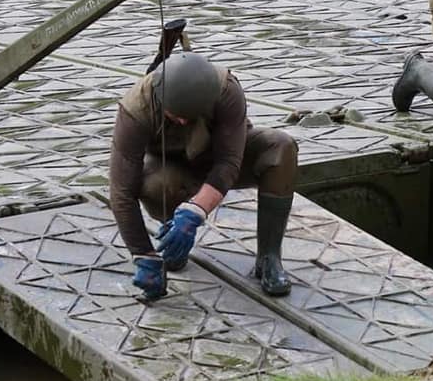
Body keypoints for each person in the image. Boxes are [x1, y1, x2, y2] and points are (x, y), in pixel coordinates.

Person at [108, 52, 299, 301]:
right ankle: (172, 238)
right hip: (173, 169)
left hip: (219, 159)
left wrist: (195, 211)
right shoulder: (136, 110)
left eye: (190, 116)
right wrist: (143, 254)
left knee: (281, 148)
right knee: (157, 186)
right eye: (175, 115)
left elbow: (229, 162)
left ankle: (269, 257)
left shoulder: (227, 90)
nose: (182, 121)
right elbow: (121, 191)